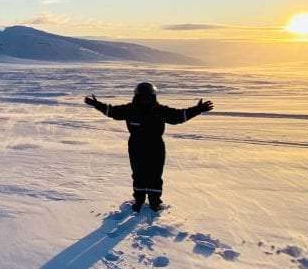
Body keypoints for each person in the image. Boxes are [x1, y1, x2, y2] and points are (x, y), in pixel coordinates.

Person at [85, 82, 213, 212]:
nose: (145, 100)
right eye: (144, 97)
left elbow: (178, 116)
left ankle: (152, 202)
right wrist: (97, 105)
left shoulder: (158, 110)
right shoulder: (131, 109)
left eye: (147, 97)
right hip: (139, 146)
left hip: (152, 146)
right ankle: (141, 201)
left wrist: (197, 110)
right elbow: (112, 111)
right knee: (142, 174)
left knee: (153, 175)